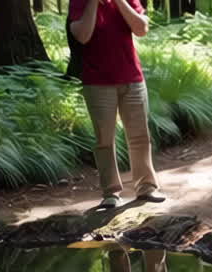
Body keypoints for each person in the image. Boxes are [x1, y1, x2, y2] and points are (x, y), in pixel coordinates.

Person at [69, 0, 165, 209]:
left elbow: (141, 29)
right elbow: (82, 36)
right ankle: (111, 192)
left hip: (131, 77)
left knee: (140, 135)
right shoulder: (79, 2)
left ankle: (146, 187)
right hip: (97, 81)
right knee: (105, 139)